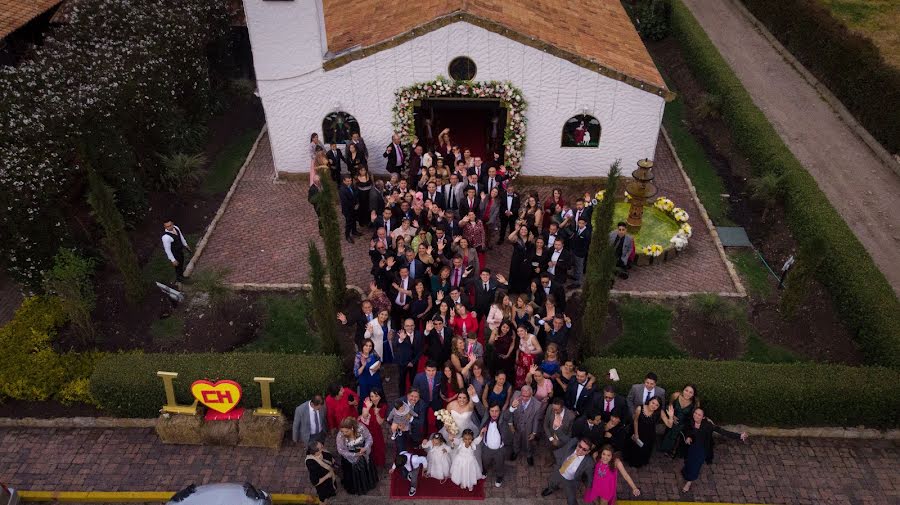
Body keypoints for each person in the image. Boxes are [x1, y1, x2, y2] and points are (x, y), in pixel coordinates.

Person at [677, 408, 748, 493]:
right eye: (695, 413)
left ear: (703, 417)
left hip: (702, 449)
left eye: (699, 415)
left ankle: (689, 482)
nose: (696, 415)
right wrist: (688, 437)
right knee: (688, 461)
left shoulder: (708, 425)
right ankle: (686, 472)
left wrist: (739, 436)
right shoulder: (690, 421)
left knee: (696, 466)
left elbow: (722, 431)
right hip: (691, 447)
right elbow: (687, 430)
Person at [540, 437, 596, 505]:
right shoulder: (570, 447)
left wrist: (589, 489)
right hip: (559, 471)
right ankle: (551, 488)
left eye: (584, 449)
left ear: (588, 451)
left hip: (570, 481)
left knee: (571, 499)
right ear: (578, 444)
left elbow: (590, 477)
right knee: (553, 481)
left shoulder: (589, 462)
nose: (580, 450)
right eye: (580, 446)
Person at [335, 417, 378, 495]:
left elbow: (369, 438)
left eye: (346, 431)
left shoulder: (361, 428)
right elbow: (340, 450)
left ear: (352, 428)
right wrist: (354, 455)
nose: (344, 433)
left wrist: (365, 448)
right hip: (349, 456)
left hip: (363, 452)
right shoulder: (340, 435)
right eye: (342, 431)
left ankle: (367, 484)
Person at [477, 400, 513, 488]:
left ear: (500, 411)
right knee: (485, 461)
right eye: (492, 411)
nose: (494, 413)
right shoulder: (486, 417)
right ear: (488, 411)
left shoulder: (503, 418)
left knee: (499, 464)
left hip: (499, 450)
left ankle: (499, 477)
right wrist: (474, 396)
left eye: (496, 411)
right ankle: (484, 471)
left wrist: (513, 407)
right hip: (486, 448)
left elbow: (508, 414)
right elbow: (479, 407)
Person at [659, 384, 699, 457]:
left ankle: (673, 451)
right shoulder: (675, 395)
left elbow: (694, 415)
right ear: (683, 390)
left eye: (691, 392)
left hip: (684, 422)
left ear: (693, 394)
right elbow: (669, 405)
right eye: (686, 390)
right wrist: (672, 416)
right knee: (670, 431)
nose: (687, 393)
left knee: (678, 433)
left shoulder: (695, 403)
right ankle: (666, 448)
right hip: (672, 418)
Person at [624, 396, 662, 468]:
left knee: (645, 448)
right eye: (653, 403)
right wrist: (636, 433)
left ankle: (642, 461)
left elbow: (669, 424)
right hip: (638, 430)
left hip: (649, 433)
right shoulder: (640, 408)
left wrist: (671, 417)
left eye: (657, 405)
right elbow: (635, 421)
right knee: (635, 448)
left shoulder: (658, 412)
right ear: (649, 401)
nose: (654, 406)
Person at [508, 385, 541, 466]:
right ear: (520, 393)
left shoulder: (537, 405)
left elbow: (536, 420)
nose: (525, 398)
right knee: (516, 438)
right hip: (516, 424)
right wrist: (510, 424)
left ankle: (529, 455)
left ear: (531, 394)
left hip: (528, 427)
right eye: (523, 396)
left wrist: (534, 433)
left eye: (527, 396)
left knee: (528, 442)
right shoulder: (515, 396)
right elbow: (510, 411)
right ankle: (515, 451)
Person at [393, 319, 424, 395]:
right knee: (402, 381)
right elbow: (395, 345)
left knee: (413, 380)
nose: (410, 327)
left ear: (414, 326)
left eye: (411, 325)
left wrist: (413, 362)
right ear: (404, 326)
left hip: (414, 362)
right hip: (402, 363)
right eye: (407, 326)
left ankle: (413, 395)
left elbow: (420, 350)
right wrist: (401, 339)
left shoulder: (418, 334)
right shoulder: (399, 334)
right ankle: (402, 397)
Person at [358, 389, 388, 467]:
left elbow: (380, 422)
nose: (374, 398)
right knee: (367, 445)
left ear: (380, 397)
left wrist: (377, 413)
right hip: (366, 428)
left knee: (378, 446)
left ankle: (378, 463)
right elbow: (364, 416)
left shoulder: (383, 406)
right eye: (372, 396)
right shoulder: (367, 401)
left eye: (376, 396)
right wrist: (368, 408)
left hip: (376, 428)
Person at [161, 219, 191, 283]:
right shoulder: (166, 237)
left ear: (173, 223)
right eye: (167, 226)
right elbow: (167, 250)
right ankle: (179, 278)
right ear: (165, 227)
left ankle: (181, 276)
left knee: (181, 263)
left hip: (180, 251)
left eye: (170, 225)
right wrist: (173, 260)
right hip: (175, 253)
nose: (169, 227)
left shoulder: (176, 228)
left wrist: (185, 244)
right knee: (178, 266)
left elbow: (181, 236)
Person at [507, 224, 533, 293]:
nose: (523, 231)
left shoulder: (529, 238)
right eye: (522, 229)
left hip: (524, 261)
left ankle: (519, 290)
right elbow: (509, 238)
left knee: (521, 275)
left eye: (525, 230)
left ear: (528, 231)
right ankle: (511, 289)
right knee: (513, 274)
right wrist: (516, 230)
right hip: (516, 259)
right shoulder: (516, 238)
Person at [514, 325, 542, 389]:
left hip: (530, 360)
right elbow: (518, 348)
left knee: (529, 375)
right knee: (520, 374)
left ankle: (529, 388)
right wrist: (516, 357)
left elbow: (540, 350)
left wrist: (530, 352)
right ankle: (521, 387)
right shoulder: (520, 337)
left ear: (526, 331)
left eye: (521, 331)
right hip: (522, 359)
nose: (519, 333)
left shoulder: (532, 338)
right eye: (518, 331)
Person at [569, 217, 591, 288]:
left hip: (581, 253)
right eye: (579, 223)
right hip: (575, 251)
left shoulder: (587, 233)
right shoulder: (578, 229)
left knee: (579, 267)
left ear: (585, 224)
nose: (580, 224)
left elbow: (586, 245)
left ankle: (578, 282)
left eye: (582, 223)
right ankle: (575, 276)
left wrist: (582, 253)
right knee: (575, 265)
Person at [339, 175, 361, 243]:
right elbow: (345, 202)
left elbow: (355, 194)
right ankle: (347, 235)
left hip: (354, 207)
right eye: (347, 181)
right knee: (349, 223)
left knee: (354, 220)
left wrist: (357, 203)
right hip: (347, 210)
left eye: (350, 181)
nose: (349, 182)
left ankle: (354, 231)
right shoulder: (342, 190)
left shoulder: (351, 186)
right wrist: (354, 206)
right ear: (344, 181)